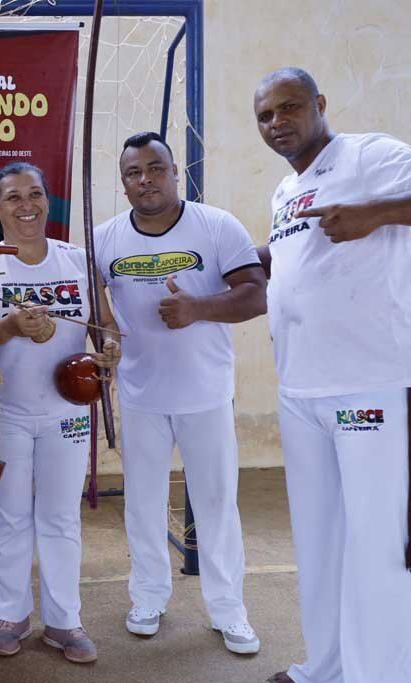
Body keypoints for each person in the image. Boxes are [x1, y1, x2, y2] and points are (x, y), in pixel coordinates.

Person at [253, 68, 411, 683]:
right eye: (265, 117)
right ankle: (325, 667)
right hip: (301, 389)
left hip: (371, 384)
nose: (277, 123)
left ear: (320, 105)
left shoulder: (370, 155)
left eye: (289, 108)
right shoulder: (284, 191)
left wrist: (375, 212)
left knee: (381, 549)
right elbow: (300, 265)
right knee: (320, 544)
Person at [93, 132, 267, 654]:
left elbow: (256, 294)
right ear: (123, 183)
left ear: (175, 172)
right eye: (133, 173)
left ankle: (228, 609)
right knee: (143, 505)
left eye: (155, 168)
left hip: (206, 394)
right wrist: (103, 337)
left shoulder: (216, 226)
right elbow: (96, 305)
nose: (144, 179)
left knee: (216, 504)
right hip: (141, 395)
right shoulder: (103, 238)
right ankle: (148, 596)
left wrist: (198, 308)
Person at [0, 162, 121, 664]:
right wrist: (8, 328)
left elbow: (107, 328)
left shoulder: (76, 260)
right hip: (4, 412)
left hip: (67, 413)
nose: (26, 205)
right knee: (10, 517)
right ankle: (12, 615)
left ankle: (64, 621)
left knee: (59, 517)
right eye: (13, 197)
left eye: (35, 194)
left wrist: (109, 353)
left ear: (47, 200)